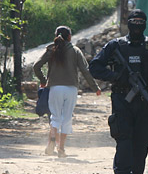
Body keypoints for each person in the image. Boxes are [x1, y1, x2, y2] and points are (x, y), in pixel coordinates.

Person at [89, 9, 148, 174]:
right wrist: (116, 77)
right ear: (128, 23)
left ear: (145, 24)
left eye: (141, 21)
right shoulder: (116, 45)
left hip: (145, 103)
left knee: (140, 146)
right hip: (123, 101)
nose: (137, 24)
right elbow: (95, 67)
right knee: (124, 142)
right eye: (134, 21)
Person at [34, 26, 101, 158]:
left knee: (55, 117)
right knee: (66, 118)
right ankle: (61, 149)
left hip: (54, 88)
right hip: (71, 89)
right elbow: (85, 71)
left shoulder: (51, 49)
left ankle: (52, 141)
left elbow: (36, 66)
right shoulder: (75, 51)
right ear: (70, 36)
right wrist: (95, 88)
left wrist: (43, 80)